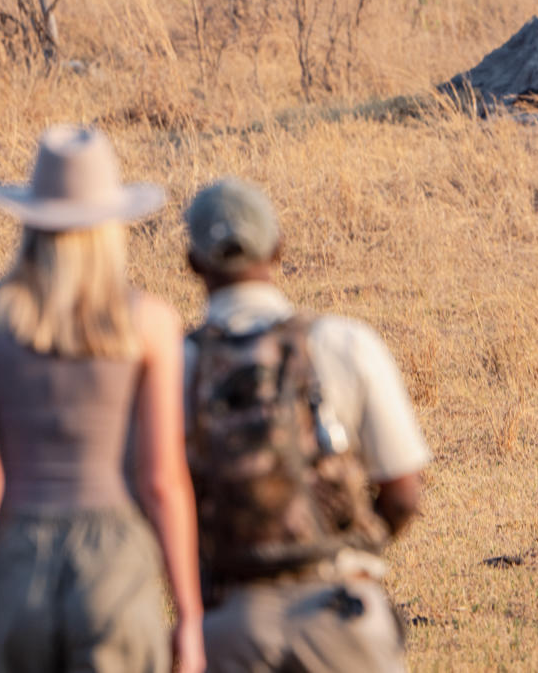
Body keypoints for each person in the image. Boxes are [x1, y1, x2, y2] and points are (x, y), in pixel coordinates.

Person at [0, 125, 205, 673]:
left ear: (30, 220)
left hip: (17, 570)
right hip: (115, 569)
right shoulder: (153, 324)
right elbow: (161, 481)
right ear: (112, 224)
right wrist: (189, 614)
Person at [180, 178, 431, 673]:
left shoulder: (177, 365)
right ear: (279, 248)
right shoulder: (345, 342)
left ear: (192, 263)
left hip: (231, 621)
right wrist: (352, 549)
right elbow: (404, 495)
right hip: (340, 608)